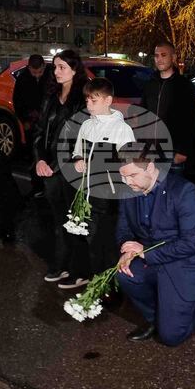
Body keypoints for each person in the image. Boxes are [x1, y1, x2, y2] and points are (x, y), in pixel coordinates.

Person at [115, 144, 195, 346]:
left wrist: (145, 253)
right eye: (123, 176)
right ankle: (154, 318)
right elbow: (123, 230)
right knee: (124, 273)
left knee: (171, 338)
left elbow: (190, 244)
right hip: (150, 258)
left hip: (184, 262)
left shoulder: (183, 191)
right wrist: (126, 249)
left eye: (132, 176)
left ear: (150, 168)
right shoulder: (128, 190)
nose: (126, 182)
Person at [33, 50, 89, 289]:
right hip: (50, 171)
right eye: (55, 67)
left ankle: (81, 269)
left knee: (77, 220)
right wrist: (39, 160)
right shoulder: (50, 96)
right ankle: (62, 264)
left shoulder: (84, 98)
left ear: (75, 70)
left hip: (73, 168)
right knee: (59, 220)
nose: (56, 72)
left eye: (62, 67)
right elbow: (39, 132)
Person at [72, 77, 136, 275]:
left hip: (110, 197)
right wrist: (78, 159)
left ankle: (111, 288)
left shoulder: (122, 130)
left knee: (108, 245)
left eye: (94, 100)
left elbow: (131, 164)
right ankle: (95, 281)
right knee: (92, 242)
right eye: (87, 100)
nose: (89, 104)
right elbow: (77, 151)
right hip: (89, 195)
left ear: (108, 101)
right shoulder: (86, 126)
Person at [141, 41, 195, 174]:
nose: (159, 59)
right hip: (151, 153)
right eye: (156, 55)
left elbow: (189, 120)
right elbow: (144, 116)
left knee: (173, 192)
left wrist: (183, 150)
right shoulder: (149, 85)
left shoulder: (184, 86)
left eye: (163, 55)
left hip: (172, 152)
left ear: (173, 57)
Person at [14, 54, 48, 197]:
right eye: (34, 72)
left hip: (47, 122)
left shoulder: (51, 77)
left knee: (47, 155)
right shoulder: (22, 79)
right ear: (29, 68)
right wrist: (25, 119)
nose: (37, 75)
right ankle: (36, 185)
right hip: (31, 123)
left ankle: (48, 185)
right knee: (33, 155)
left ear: (43, 67)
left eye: (39, 72)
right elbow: (17, 101)